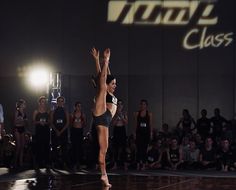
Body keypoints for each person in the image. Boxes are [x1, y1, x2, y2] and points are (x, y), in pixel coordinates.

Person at [91, 47, 117, 187]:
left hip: (104, 121)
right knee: (101, 87)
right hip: (102, 113)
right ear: (108, 85)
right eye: (113, 84)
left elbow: (106, 76)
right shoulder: (105, 89)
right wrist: (105, 61)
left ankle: (104, 175)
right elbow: (102, 77)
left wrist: (97, 59)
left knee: (103, 151)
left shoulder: (109, 91)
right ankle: (104, 176)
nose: (115, 85)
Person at [50, 96, 70, 169]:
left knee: (64, 148)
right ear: (57, 102)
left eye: (62, 101)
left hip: (63, 131)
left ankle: (64, 163)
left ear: (63, 102)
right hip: (55, 131)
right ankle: (55, 163)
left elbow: (67, 123)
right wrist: (56, 131)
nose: (60, 102)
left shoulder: (65, 111)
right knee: (54, 148)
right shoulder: (53, 111)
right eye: (59, 101)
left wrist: (61, 131)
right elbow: (51, 122)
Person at [134, 99, 153, 170]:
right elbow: (136, 124)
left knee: (145, 149)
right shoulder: (137, 113)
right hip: (139, 133)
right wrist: (135, 133)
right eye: (141, 104)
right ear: (140, 105)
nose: (143, 106)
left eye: (144, 104)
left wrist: (151, 133)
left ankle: (144, 164)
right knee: (139, 149)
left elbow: (150, 124)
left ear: (146, 106)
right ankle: (138, 164)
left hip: (146, 133)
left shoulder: (149, 114)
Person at [32, 96, 50, 168]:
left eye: (45, 101)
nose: (44, 103)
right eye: (42, 101)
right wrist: (39, 122)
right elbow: (33, 122)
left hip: (46, 130)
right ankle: (38, 163)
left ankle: (47, 163)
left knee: (46, 146)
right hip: (39, 130)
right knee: (39, 146)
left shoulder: (48, 111)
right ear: (39, 102)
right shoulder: (36, 111)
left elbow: (50, 121)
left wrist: (46, 123)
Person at [111, 99, 128, 170]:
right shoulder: (114, 113)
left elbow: (126, 122)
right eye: (118, 104)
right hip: (116, 130)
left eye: (121, 104)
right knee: (115, 148)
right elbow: (113, 123)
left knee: (123, 148)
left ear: (122, 106)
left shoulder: (124, 113)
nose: (119, 105)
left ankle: (125, 164)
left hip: (122, 130)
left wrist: (121, 116)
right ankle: (115, 164)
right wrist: (117, 116)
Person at [70, 101, 87, 171]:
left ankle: (79, 164)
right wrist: (75, 122)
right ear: (75, 107)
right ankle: (73, 164)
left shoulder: (83, 114)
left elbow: (85, 124)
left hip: (80, 132)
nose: (79, 107)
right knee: (74, 148)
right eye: (78, 106)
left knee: (80, 148)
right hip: (74, 132)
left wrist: (82, 122)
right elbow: (70, 124)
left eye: (80, 106)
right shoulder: (72, 114)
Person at [13, 99, 28, 168]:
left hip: (23, 129)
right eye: (24, 104)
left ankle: (21, 163)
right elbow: (15, 122)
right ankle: (14, 162)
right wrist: (22, 121)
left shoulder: (24, 113)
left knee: (22, 147)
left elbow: (26, 123)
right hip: (17, 129)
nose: (25, 105)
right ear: (20, 105)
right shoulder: (17, 112)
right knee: (18, 146)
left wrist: (23, 121)